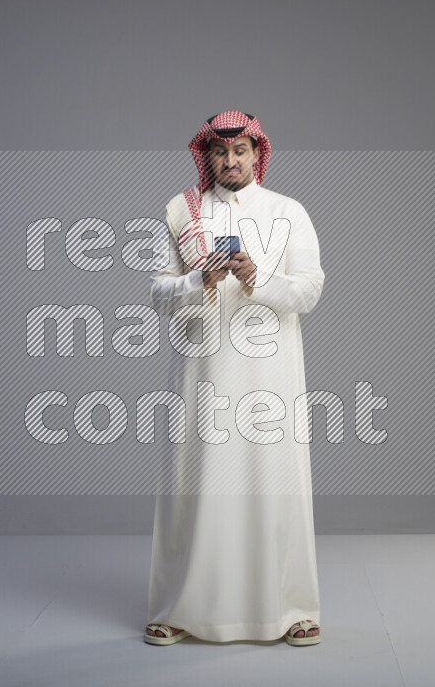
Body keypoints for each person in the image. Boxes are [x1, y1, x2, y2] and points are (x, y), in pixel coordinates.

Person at [144, 110, 325, 646]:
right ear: (207, 155)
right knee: (192, 485)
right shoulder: (182, 212)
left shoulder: (289, 212)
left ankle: (290, 609)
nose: (230, 161)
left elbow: (309, 290)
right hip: (201, 374)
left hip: (270, 378)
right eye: (220, 153)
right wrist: (199, 279)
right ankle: (177, 609)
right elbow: (157, 292)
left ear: (256, 154)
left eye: (240, 151)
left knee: (275, 482)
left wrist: (257, 278)